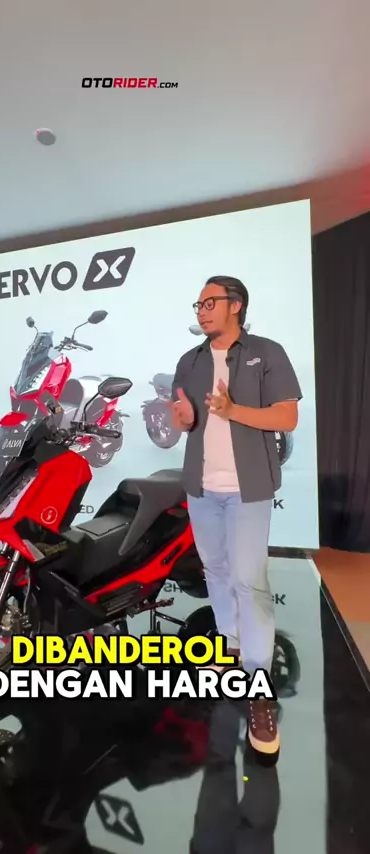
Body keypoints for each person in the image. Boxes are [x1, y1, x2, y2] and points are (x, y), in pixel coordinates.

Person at [170, 275, 302, 754]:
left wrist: (233, 410)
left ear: (236, 305)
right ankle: (229, 647)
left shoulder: (266, 352)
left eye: (210, 302)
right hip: (202, 488)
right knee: (217, 572)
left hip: (248, 489)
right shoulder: (190, 360)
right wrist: (185, 419)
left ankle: (259, 689)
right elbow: (186, 419)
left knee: (250, 581)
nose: (202, 310)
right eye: (198, 304)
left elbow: (286, 417)